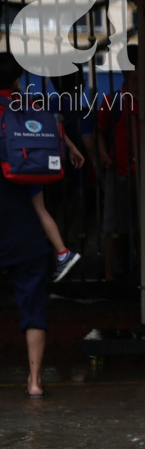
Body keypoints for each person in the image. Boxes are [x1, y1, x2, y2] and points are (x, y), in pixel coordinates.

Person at [0, 58, 83, 283]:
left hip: (9, 170)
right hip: (31, 166)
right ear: (16, 80)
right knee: (41, 210)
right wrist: (72, 147)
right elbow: (50, 126)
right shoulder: (26, 101)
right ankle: (62, 252)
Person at [0, 52, 51, 397]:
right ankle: (34, 382)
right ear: (17, 80)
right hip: (25, 222)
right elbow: (51, 138)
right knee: (33, 304)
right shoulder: (27, 110)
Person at [96, 44, 145, 281]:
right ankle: (111, 279)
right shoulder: (114, 101)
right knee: (113, 228)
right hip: (120, 171)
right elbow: (100, 131)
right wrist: (105, 156)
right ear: (133, 70)